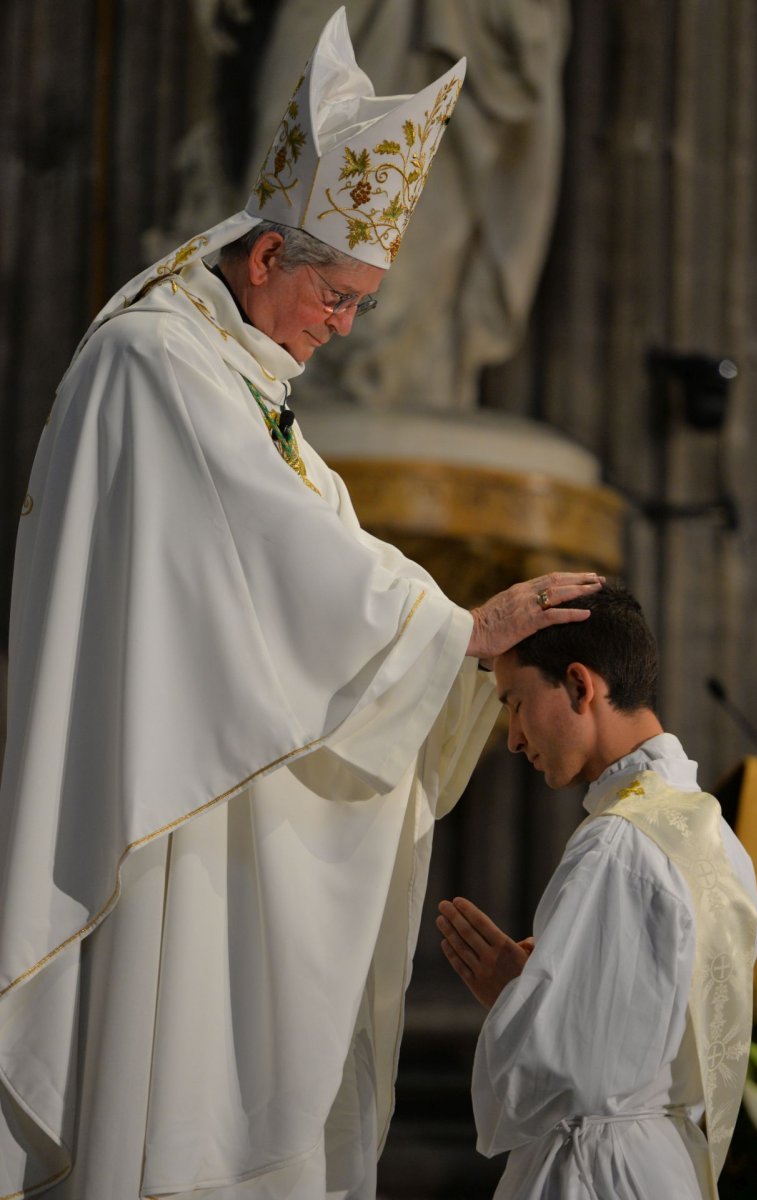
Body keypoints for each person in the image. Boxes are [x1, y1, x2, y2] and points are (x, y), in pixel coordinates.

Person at [0, 9, 603, 1200]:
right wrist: (455, 631)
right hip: (165, 793)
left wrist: (441, 642)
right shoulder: (157, 362)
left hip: (220, 784)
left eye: (365, 310)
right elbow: (281, 554)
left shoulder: (240, 379)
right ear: (268, 258)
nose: (343, 329)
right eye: (339, 299)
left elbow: (318, 538)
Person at [437, 585, 757, 1200]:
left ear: (581, 686)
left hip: (597, 1172)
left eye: (516, 702)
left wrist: (514, 996)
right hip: (663, 1164)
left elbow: (558, 1077)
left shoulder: (617, 843)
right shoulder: (710, 829)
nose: (511, 737)